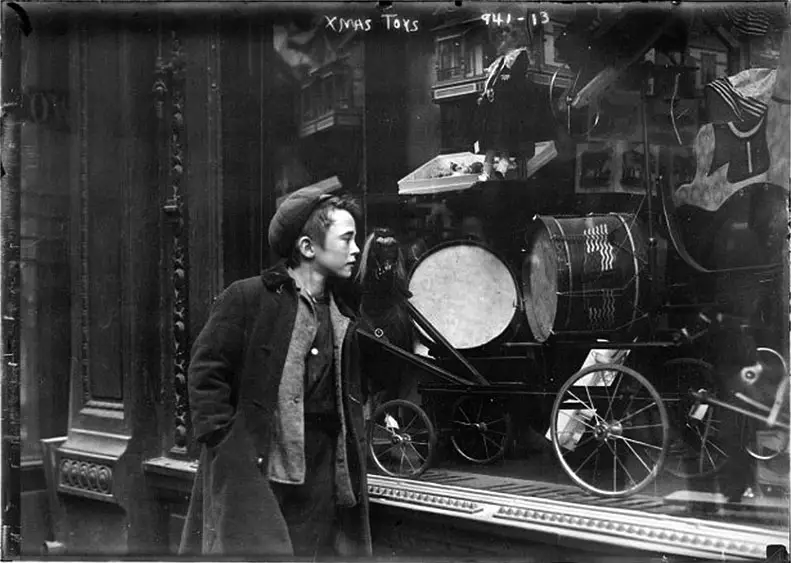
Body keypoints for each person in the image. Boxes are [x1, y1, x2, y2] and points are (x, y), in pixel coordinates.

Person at [178, 183, 372, 559]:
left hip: (320, 474)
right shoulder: (249, 297)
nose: (356, 249)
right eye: (346, 239)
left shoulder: (343, 311)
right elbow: (205, 374)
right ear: (307, 248)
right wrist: (229, 446)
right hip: (258, 471)